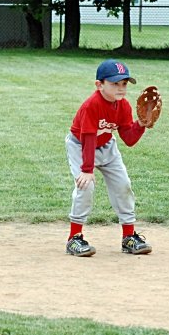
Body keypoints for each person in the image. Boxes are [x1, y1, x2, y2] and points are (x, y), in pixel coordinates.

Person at [65, 59, 154, 257]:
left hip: (107, 146)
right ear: (99, 84)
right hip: (81, 146)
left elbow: (128, 139)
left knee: (123, 185)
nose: (121, 88)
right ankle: (74, 238)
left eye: (124, 83)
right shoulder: (92, 105)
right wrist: (87, 170)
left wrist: (140, 124)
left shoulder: (123, 106)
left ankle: (129, 237)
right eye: (115, 83)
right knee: (85, 186)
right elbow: (88, 137)